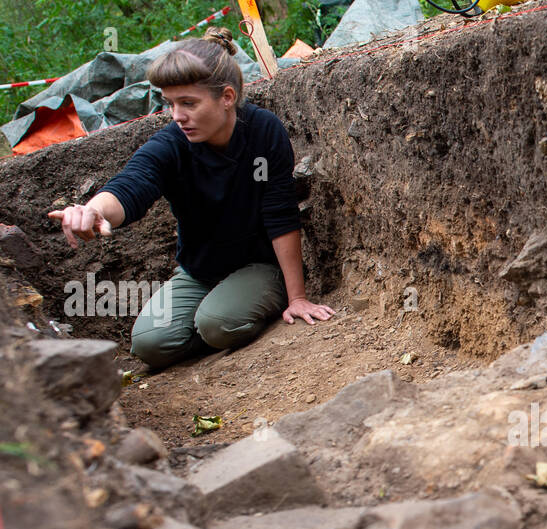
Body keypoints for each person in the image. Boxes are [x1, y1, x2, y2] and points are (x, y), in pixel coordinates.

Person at [47, 26, 334, 370]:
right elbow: (133, 183)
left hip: (259, 264)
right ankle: (213, 313)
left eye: (189, 103)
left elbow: (280, 213)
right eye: (170, 104)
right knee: (150, 343)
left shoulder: (262, 132)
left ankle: (224, 313)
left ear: (227, 97)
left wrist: (297, 297)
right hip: (201, 271)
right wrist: (94, 210)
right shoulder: (172, 146)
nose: (177, 116)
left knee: (218, 324)